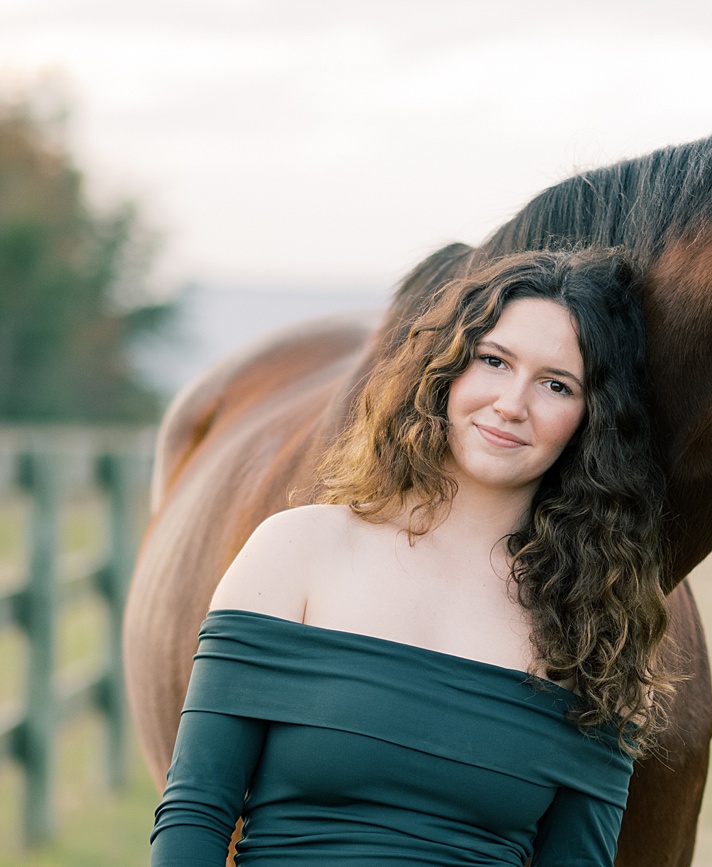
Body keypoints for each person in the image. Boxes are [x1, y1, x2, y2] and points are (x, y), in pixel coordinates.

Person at [149, 248, 673, 866]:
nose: (512, 403)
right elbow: (195, 815)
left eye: (556, 384)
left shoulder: (596, 629)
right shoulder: (297, 552)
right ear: (447, 370)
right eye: (494, 361)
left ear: (592, 420)